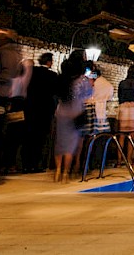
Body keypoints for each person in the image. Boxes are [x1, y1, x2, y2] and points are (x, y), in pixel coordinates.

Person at [53, 51, 92, 183]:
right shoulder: (82, 80)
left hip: (61, 111)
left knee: (59, 142)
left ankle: (57, 170)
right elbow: (88, 95)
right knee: (70, 145)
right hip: (76, 112)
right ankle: (65, 173)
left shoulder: (61, 78)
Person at [21, 52, 60, 173]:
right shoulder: (52, 76)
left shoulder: (32, 72)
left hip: (30, 108)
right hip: (45, 110)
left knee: (28, 136)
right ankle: (36, 164)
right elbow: (55, 93)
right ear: (49, 62)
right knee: (40, 138)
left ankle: (25, 164)